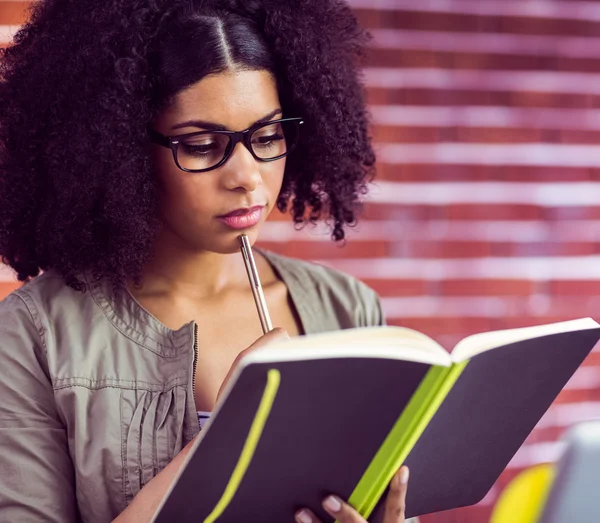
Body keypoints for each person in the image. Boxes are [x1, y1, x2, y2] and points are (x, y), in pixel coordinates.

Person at [0, 1, 413, 522]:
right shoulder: (36, 335)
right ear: (121, 147)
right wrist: (227, 436)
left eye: (267, 137)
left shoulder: (348, 309)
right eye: (201, 145)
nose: (246, 176)